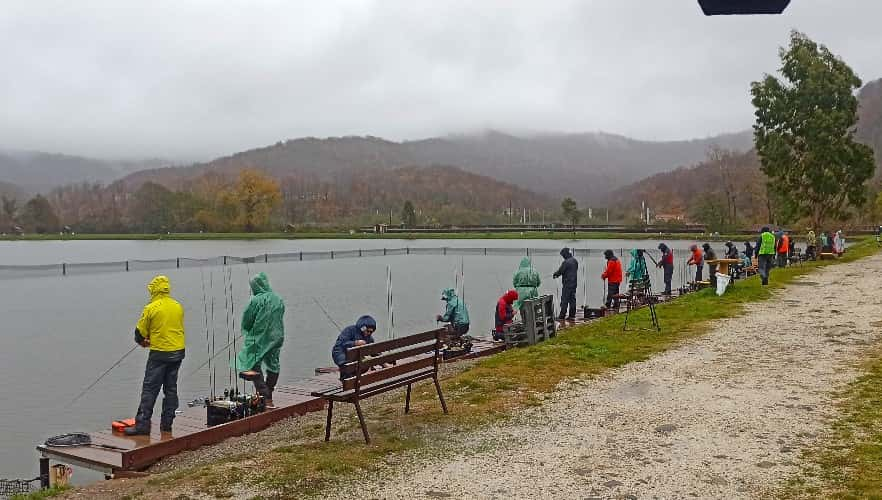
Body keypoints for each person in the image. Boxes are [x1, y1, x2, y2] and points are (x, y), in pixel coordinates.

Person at [126, 275, 185, 436]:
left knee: (150, 389)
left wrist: (143, 342)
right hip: (178, 353)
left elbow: (140, 333)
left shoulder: (151, 308)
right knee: (170, 389)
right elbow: (172, 328)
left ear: (153, 289)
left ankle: (143, 426)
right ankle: (167, 425)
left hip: (159, 354)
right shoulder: (177, 306)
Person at [234, 272, 285, 409]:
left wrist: (247, 329)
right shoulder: (278, 299)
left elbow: (247, 320)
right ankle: (268, 394)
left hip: (259, 338)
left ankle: (264, 395)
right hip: (277, 336)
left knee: (252, 363)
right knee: (273, 364)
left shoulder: (255, 300)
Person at [332, 315, 378, 379]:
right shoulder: (349, 330)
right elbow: (342, 344)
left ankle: (351, 379)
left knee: (364, 365)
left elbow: (373, 351)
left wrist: (383, 363)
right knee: (348, 366)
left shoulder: (369, 338)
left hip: (354, 357)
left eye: (371, 332)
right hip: (340, 353)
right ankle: (346, 379)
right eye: (367, 331)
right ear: (362, 328)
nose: (369, 333)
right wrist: (355, 343)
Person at [552, 248, 579, 321]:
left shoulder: (566, 262)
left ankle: (562, 316)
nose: (563, 257)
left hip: (567, 284)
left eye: (563, 255)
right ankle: (572, 315)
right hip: (574, 284)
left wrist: (555, 274)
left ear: (566, 254)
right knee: (572, 299)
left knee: (564, 300)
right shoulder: (575, 261)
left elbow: (560, 271)